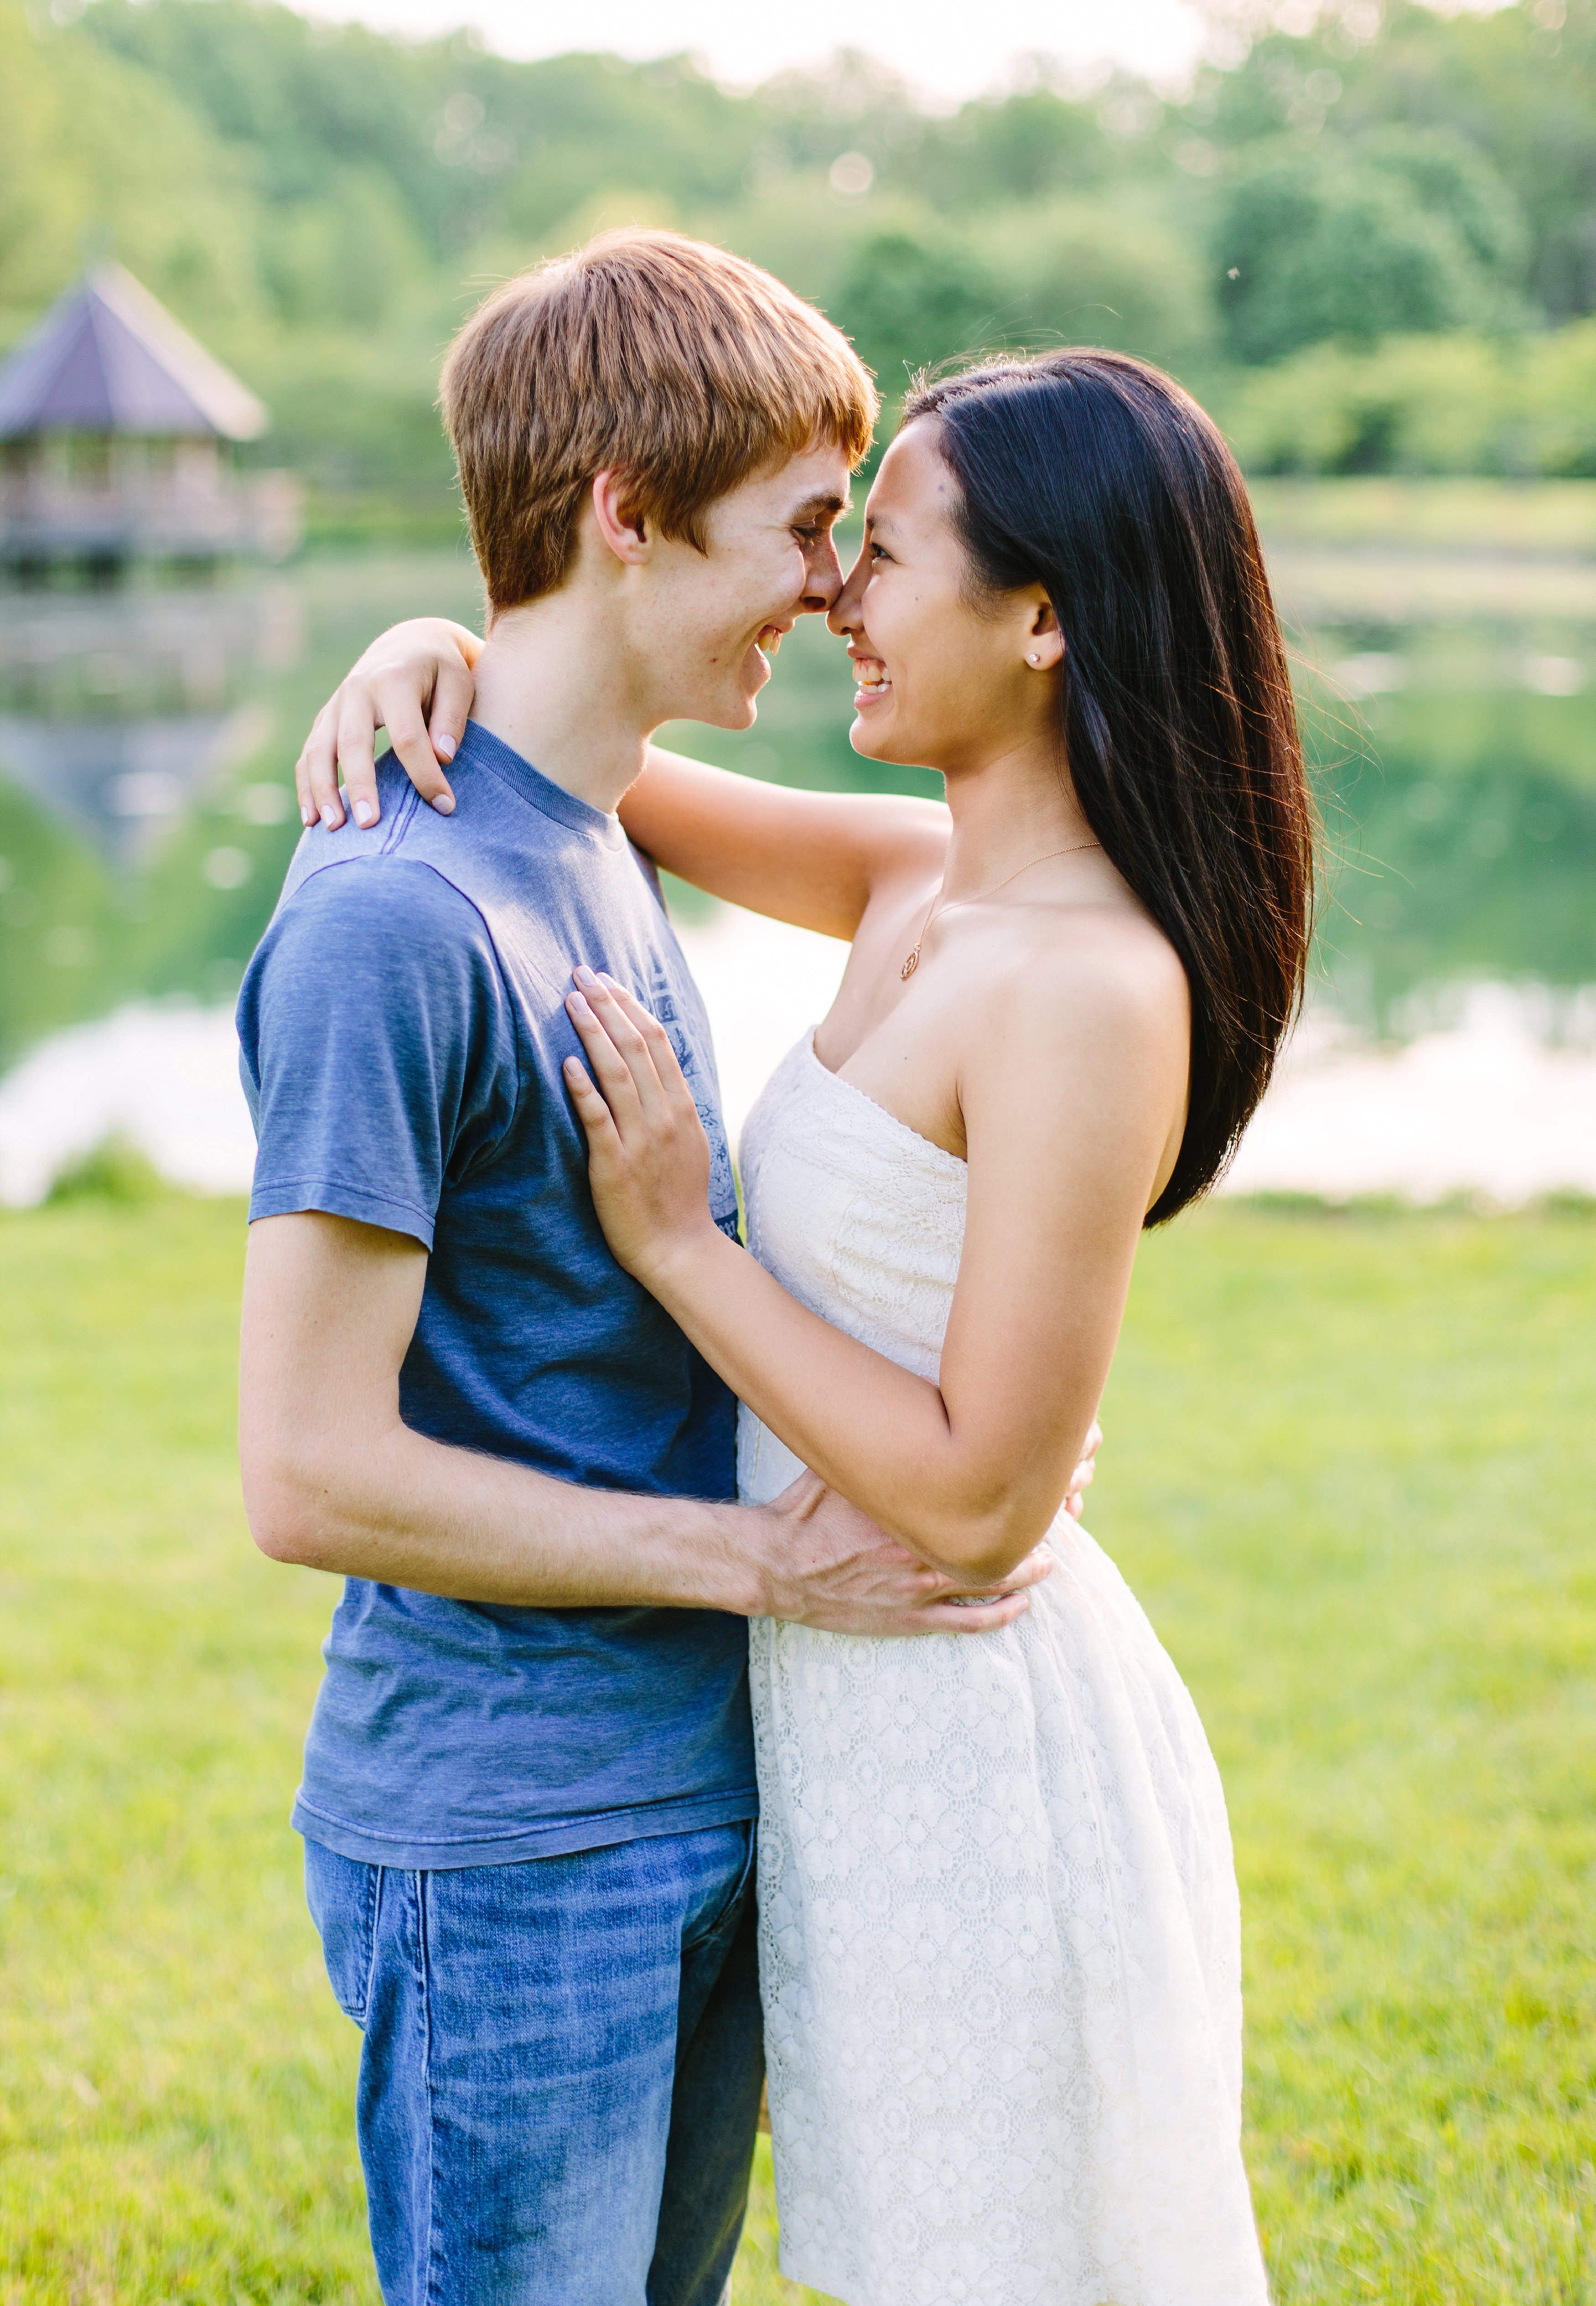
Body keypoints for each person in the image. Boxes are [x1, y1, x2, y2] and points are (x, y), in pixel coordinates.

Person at [300, 342, 1313, 2302]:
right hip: (825, 1716)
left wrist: (681, 1242)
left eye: (888, 550)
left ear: (1041, 616)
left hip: (964, 1720)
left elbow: (975, 1507)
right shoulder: (922, 878)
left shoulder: (1089, 985)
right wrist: (421, 642)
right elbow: (591, 744)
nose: (836, 587)